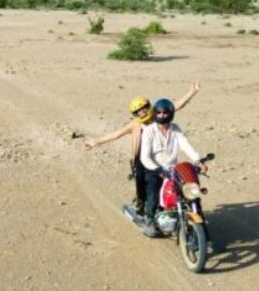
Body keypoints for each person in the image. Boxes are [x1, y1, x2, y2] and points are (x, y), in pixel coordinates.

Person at [83, 81, 200, 217]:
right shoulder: (135, 125)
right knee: (143, 185)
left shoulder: (159, 116)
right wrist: (95, 141)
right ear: (135, 114)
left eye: (144, 108)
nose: (142, 111)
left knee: (173, 183)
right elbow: (116, 134)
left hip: (161, 158)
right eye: (138, 111)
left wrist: (192, 92)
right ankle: (141, 205)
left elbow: (175, 106)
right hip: (141, 159)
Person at [139, 98, 205, 237]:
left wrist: (198, 161)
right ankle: (150, 220)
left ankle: (202, 227)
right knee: (153, 191)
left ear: (171, 113)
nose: (162, 115)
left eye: (165, 113)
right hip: (154, 168)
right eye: (159, 112)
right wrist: (156, 169)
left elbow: (186, 146)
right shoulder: (149, 131)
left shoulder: (175, 129)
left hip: (172, 169)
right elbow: (145, 156)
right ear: (155, 113)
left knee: (192, 192)